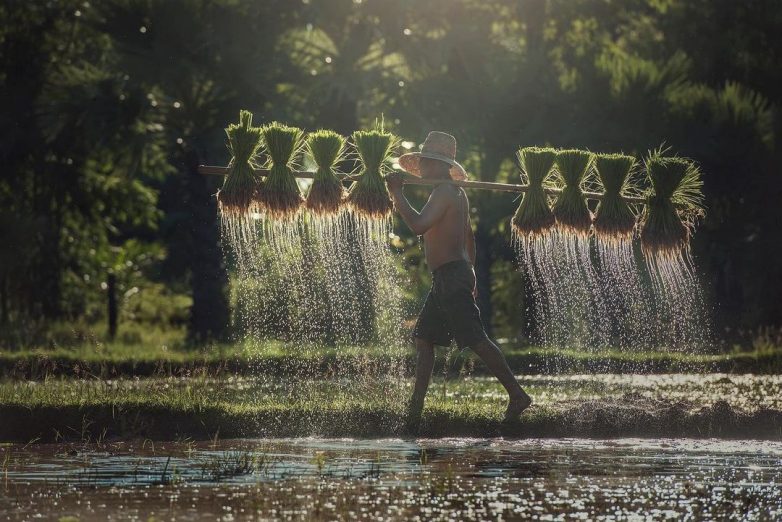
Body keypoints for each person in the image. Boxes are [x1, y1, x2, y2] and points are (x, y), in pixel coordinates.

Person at [386, 131, 532, 432]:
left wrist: (397, 194)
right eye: (423, 161)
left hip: (452, 276)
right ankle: (416, 407)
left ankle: (517, 395)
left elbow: (417, 226)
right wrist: (472, 271)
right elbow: (468, 236)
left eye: (428, 162)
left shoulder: (443, 193)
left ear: (441, 165)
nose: (424, 167)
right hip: (450, 275)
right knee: (424, 339)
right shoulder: (455, 193)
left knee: (475, 339)